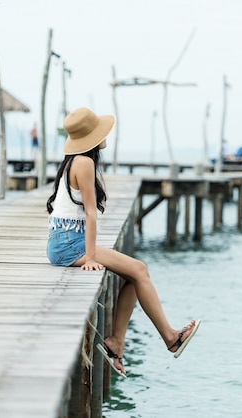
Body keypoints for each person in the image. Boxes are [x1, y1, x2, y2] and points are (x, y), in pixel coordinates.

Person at [46, 107, 201, 377]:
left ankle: (117, 342)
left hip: (65, 240)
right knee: (140, 270)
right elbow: (91, 213)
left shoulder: (75, 160)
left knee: (134, 275)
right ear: (91, 138)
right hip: (69, 244)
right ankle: (170, 338)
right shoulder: (85, 162)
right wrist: (91, 258)